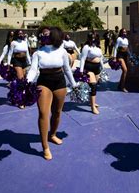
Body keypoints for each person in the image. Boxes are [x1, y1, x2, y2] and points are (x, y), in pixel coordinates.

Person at [26, 26, 77, 160]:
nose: (45, 36)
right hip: (43, 82)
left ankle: (53, 134)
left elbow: (66, 69)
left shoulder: (62, 51)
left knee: (57, 112)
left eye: (47, 34)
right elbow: (33, 70)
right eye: (42, 34)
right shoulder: (38, 53)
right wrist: (27, 81)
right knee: (43, 113)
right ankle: (45, 146)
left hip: (59, 82)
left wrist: (74, 83)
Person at [79, 31, 104, 115]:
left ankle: (91, 101)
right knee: (93, 85)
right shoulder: (86, 47)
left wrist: (102, 68)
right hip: (89, 68)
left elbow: (101, 58)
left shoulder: (98, 47)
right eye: (91, 37)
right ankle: (92, 106)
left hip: (97, 68)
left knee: (94, 86)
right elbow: (82, 59)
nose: (93, 39)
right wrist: (81, 71)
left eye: (95, 37)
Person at [7, 30, 31, 108]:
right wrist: (8, 64)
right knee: (20, 80)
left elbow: (27, 53)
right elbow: (10, 54)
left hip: (24, 61)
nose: (21, 35)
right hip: (17, 61)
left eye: (22, 33)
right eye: (19, 34)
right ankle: (21, 101)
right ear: (17, 35)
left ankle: (19, 95)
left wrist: (30, 63)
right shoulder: (13, 43)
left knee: (24, 80)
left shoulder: (25, 42)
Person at [113, 28, 130, 92]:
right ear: (121, 33)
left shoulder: (126, 39)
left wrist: (130, 55)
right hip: (120, 55)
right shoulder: (119, 39)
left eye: (125, 32)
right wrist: (114, 57)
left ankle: (120, 84)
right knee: (125, 70)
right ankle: (122, 87)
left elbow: (127, 48)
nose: (124, 33)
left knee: (124, 71)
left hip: (125, 55)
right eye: (123, 32)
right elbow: (115, 48)